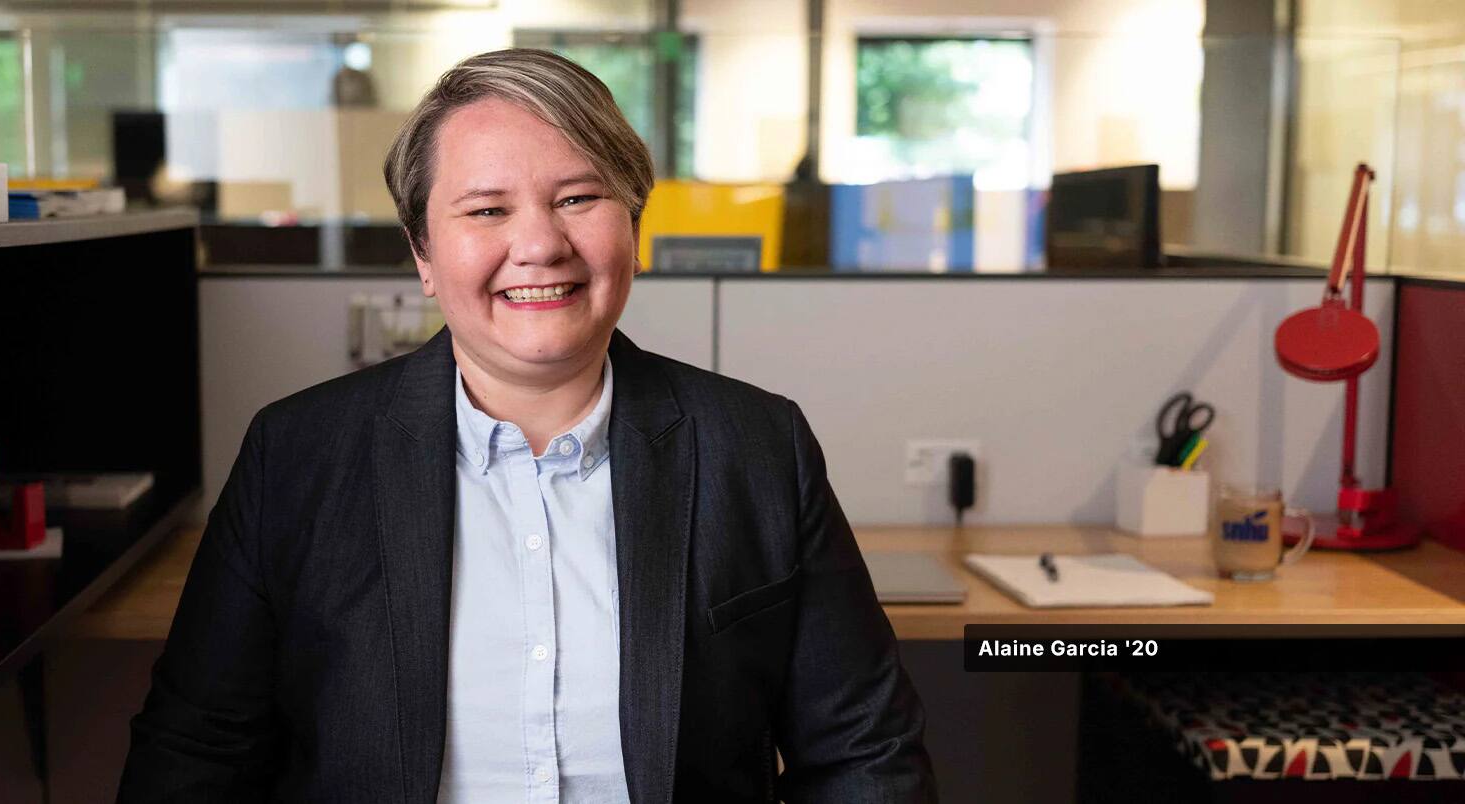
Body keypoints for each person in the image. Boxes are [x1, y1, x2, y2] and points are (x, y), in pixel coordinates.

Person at [119, 48, 935, 803]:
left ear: (633, 228)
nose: (540, 244)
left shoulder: (755, 447)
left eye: (578, 198)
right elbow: (195, 758)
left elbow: (865, 756)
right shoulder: (297, 457)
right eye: (486, 210)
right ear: (424, 256)